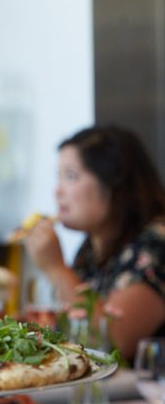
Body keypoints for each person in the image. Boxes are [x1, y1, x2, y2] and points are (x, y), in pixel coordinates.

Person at [23, 125, 165, 360]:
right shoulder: (92, 249)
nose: (57, 191)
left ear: (113, 182)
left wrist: (55, 268)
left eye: (71, 176)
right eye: (58, 177)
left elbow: (111, 343)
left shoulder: (156, 245)